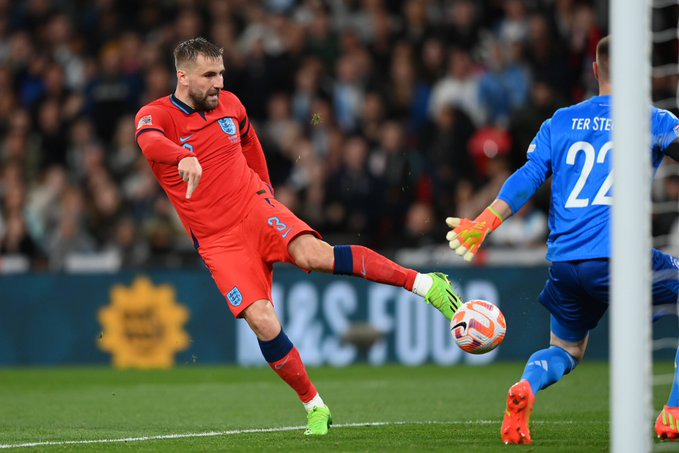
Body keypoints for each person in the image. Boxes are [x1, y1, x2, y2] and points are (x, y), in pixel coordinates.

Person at [134, 37, 462, 436]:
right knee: (262, 320)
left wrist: (266, 191)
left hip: (254, 208)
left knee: (314, 254)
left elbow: (249, 142)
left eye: (221, 73)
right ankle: (315, 406)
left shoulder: (231, 105)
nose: (219, 82)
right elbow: (149, 143)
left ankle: (427, 284)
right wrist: (181, 156)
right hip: (217, 239)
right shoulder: (156, 115)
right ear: (182, 77)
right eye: (209, 75)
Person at [445, 35, 679, 444]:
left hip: (566, 263)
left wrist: (483, 222)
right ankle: (674, 412)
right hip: (620, 259)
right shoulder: (653, 119)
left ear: (595, 70)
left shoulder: (561, 120)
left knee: (566, 350)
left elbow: (529, 176)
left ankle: (527, 388)